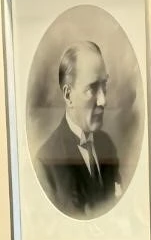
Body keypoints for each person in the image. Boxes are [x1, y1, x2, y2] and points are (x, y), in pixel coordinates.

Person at [36, 41, 122, 219]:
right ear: (68, 96)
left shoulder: (107, 145)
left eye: (104, 85)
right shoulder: (45, 162)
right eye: (92, 88)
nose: (103, 101)